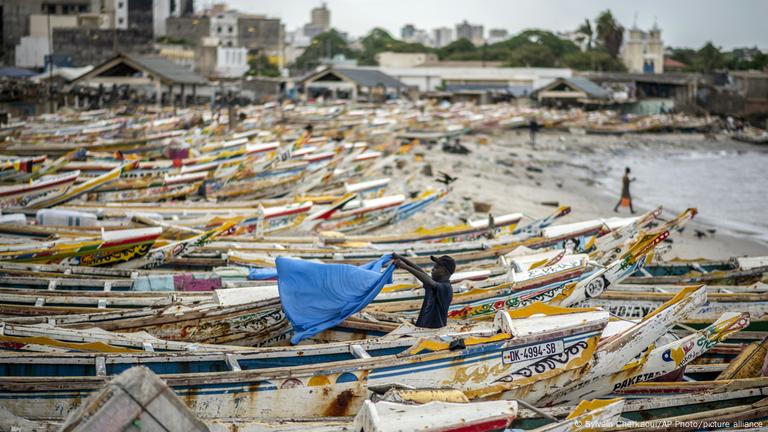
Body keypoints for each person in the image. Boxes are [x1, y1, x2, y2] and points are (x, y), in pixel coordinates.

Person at [392, 253, 455, 329]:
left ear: (444, 271)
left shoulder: (446, 288)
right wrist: (400, 257)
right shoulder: (434, 283)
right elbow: (418, 270)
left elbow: (429, 281)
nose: (432, 269)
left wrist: (405, 267)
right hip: (422, 328)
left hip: (434, 331)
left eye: (436, 267)